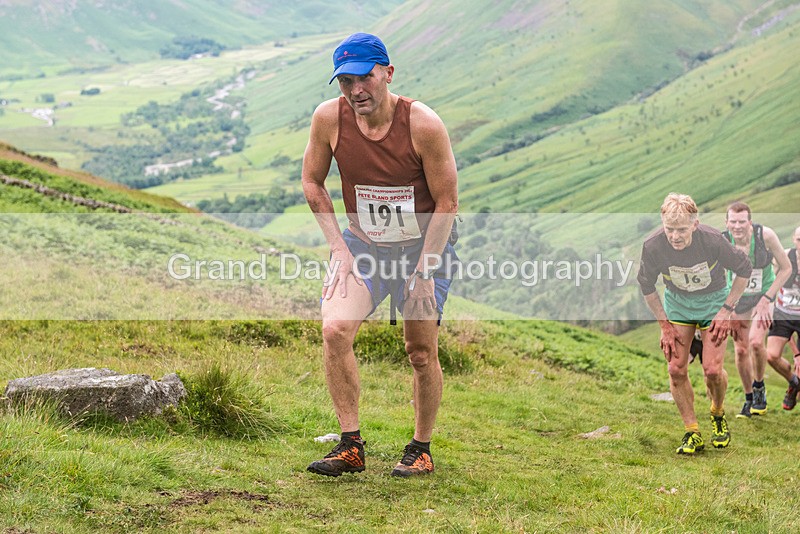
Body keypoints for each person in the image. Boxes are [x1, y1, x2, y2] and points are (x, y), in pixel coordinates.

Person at [300, 33, 458, 477]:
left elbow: (447, 202)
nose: (355, 91)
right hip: (363, 244)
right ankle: (350, 446)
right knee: (334, 330)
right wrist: (338, 249)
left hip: (424, 246)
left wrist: (425, 270)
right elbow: (312, 182)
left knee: (421, 351)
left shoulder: (423, 124)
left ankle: (420, 448)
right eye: (345, 82)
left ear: (388, 73)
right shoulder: (328, 120)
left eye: (365, 78)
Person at [638, 193, 751, 454]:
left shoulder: (712, 240)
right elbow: (646, 285)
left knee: (712, 370)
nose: (675, 236)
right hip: (678, 305)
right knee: (676, 368)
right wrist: (664, 325)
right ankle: (692, 432)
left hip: (713, 304)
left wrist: (726, 310)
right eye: (669, 229)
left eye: (681, 230)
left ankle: (718, 412)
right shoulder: (653, 245)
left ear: (695, 224)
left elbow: (744, 270)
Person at [723, 202, 791, 418]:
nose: (737, 226)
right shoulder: (723, 241)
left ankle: (759, 386)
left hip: (763, 297)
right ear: (727, 223)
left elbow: (786, 268)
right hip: (737, 299)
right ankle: (749, 397)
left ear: (750, 223)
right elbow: (717, 277)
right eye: (733, 222)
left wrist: (767, 298)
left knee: (755, 342)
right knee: (741, 349)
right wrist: (727, 307)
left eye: (742, 222)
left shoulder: (765, 236)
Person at [765, 227, 800, 410]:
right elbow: (772, 280)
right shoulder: (785, 256)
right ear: (794, 240)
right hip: (783, 313)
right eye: (799, 240)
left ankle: (796, 390)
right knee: (771, 356)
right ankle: (794, 382)